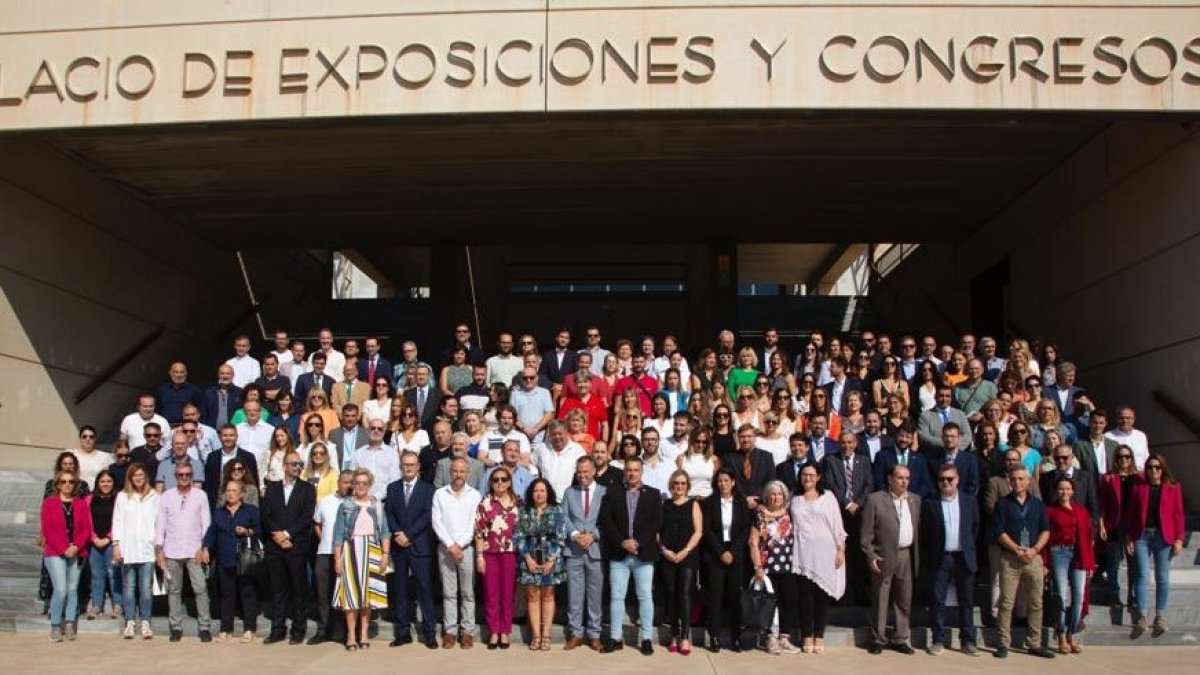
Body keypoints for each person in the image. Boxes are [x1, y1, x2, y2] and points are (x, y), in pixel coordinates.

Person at [600, 457, 663, 655]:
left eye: (636, 470)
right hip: (619, 553)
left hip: (643, 554)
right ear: (624, 471)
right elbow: (607, 521)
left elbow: (656, 522)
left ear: (641, 471)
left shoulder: (653, 494)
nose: (632, 473)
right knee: (617, 596)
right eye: (629, 470)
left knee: (645, 596)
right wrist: (623, 542)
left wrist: (637, 542)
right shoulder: (613, 493)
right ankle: (615, 637)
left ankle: (646, 639)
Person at [992, 466, 1055, 659]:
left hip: (1033, 557)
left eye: (1021, 479)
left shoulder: (1037, 504)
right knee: (1006, 602)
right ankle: (1003, 643)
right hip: (1011, 557)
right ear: (1009, 481)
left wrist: (1035, 550)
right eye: (1013, 479)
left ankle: (1034, 643)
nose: (1017, 483)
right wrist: (1016, 549)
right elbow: (999, 532)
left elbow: (1046, 530)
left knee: (1036, 601)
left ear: (1028, 481)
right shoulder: (1002, 504)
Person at [861, 464, 921, 655]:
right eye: (900, 478)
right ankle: (878, 638)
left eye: (907, 478)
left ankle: (901, 638)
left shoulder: (915, 500)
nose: (904, 482)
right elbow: (865, 534)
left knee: (904, 597)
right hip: (883, 554)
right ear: (890, 479)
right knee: (881, 596)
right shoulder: (875, 499)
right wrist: (871, 555)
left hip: (906, 554)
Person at [922, 464, 981, 656]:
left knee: (967, 601)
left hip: (963, 557)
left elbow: (974, 527)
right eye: (942, 479)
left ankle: (968, 641)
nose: (946, 482)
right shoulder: (929, 502)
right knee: (938, 601)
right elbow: (925, 531)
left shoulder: (969, 501)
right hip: (940, 558)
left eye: (950, 479)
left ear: (957, 480)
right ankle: (938, 640)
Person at [1124, 452, 1185, 637]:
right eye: (1150, 467)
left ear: (1162, 469)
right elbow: (1132, 515)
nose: (1153, 471)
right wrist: (1129, 538)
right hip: (1142, 535)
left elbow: (1178, 515)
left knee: (1162, 577)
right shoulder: (1139, 489)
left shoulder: (1173, 488)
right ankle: (1142, 616)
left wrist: (1179, 539)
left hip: (1163, 536)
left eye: (1157, 467)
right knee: (1142, 574)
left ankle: (1160, 615)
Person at [260, 451, 317, 644]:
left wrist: (287, 534)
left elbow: (306, 517)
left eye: (299, 464)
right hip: (275, 547)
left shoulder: (308, 489)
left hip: (296, 546)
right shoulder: (272, 488)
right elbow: (266, 515)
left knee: (299, 590)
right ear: (284, 465)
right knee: (278, 590)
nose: (297, 467)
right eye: (293, 464)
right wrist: (277, 535)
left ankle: (298, 629)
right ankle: (278, 629)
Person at [789, 460, 845, 653]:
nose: (808, 478)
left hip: (825, 551)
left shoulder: (828, 497)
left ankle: (819, 635)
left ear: (819, 477)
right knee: (804, 596)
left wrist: (840, 549)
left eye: (812, 475)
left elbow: (838, 525)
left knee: (821, 597)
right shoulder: (794, 497)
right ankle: (806, 635)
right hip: (802, 552)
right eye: (805, 475)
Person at [154, 458, 213, 642]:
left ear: (192, 475)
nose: (184, 477)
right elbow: (160, 524)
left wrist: (205, 547)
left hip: (194, 550)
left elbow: (206, 523)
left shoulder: (200, 495)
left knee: (201, 588)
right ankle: (176, 627)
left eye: (188, 474)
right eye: (181, 475)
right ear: (175, 476)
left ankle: (204, 627)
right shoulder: (166, 496)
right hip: (172, 550)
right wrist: (159, 550)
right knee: (174, 590)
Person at [385, 451, 439, 649]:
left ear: (418, 467)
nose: (408, 468)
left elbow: (427, 516)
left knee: (425, 590)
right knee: (400, 590)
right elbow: (389, 513)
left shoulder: (428, 490)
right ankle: (402, 632)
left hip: (419, 546)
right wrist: (398, 533)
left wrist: (409, 535)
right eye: (405, 464)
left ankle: (430, 634)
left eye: (412, 464)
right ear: (401, 466)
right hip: (399, 546)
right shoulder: (392, 488)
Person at [332, 468, 390, 651]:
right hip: (351, 551)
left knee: (367, 595)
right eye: (357, 483)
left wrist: (385, 554)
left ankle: (363, 634)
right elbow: (338, 535)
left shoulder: (377, 505)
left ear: (370, 485)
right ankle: (350, 635)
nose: (361, 486)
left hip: (372, 550)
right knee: (350, 596)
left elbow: (385, 532)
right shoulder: (346, 505)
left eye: (365, 483)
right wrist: (337, 560)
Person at [202, 479, 262, 643]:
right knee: (226, 596)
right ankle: (225, 629)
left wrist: (247, 531)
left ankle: (250, 628)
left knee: (247, 594)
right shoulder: (219, 512)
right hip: (225, 558)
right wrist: (206, 547)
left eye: (234, 491)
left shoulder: (251, 511)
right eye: (228, 491)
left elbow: (259, 531)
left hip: (245, 559)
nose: (230, 494)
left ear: (241, 493)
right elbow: (211, 532)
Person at [433, 457, 483, 649]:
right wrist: (450, 545)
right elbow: (436, 521)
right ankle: (450, 632)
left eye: (462, 471)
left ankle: (467, 632)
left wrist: (460, 545)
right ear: (450, 472)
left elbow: (474, 524)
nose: (458, 475)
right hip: (445, 550)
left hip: (466, 550)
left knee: (468, 592)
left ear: (467, 473)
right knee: (449, 593)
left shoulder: (475, 495)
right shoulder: (440, 494)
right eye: (455, 471)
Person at [701, 466, 751, 652]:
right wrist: (721, 551)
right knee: (715, 596)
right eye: (720, 481)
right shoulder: (709, 502)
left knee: (735, 596)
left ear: (733, 482)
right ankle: (714, 637)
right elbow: (706, 530)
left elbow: (746, 529)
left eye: (726, 480)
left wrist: (733, 552)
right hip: (716, 553)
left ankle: (736, 638)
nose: (723, 484)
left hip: (736, 553)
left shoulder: (741, 503)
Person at [515, 477, 568, 651]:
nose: (539, 493)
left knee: (548, 596)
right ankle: (536, 636)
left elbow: (561, 537)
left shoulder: (556, 511)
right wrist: (528, 558)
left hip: (551, 560)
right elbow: (519, 536)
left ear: (548, 493)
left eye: (542, 490)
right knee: (532, 596)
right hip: (529, 559)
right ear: (531, 493)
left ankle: (546, 635)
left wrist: (551, 560)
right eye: (536, 490)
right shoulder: (524, 511)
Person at [1044, 475, 1095, 654]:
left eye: (1067, 489)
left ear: (1073, 491)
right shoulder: (1050, 510)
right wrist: (1045, 563)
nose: (1064, 492)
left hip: (1078, 555)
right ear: (1056, 491)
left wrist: (1090, 563)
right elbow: (1045, 536)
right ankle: (1061, 635)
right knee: (1061, 596)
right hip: (1059, 553)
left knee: (1079, 596)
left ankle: (1072, 633)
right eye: (1061, 489)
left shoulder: (1081, 510)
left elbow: (1088, 538)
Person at [749, 480, 801, 655]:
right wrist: (757, 566)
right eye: (772, 493)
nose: (776, 497)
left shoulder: (790, 514)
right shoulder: (760, 514)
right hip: (768, 566)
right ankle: (771, 637)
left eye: (779, 494)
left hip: (788, 565)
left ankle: (784, 637)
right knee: (771, 603)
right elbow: (753, 542)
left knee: (789, 601)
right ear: (767, 496)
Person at [41, 468, 93, 642]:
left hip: (77, 551)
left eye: (71, 481)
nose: (67, 485)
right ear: (57, 484)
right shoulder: (49, 503)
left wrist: (76, 546)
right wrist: (64, 548)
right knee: (61, 589)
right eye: (63, 481)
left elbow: (86, 529)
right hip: (55, 551)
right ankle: (55, 625)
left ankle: (69, 624)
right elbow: (47, 529)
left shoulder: (80, 503)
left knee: (72, 589)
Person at [561, 456, 607, 651]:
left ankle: (594, 634)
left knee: (595, 595)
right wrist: (574, 535)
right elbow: (563, 517)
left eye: (586, 471)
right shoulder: (569, 492)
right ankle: (576, 633)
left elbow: (608, 520)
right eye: (579, 472)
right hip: (574, 550)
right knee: (575, 594)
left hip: (596, 550)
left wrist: (593, 536)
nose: (582, 475)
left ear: (594, 471)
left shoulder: (604, 492)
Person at [473, 465, 521, 649]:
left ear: (509, 482)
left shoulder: (518, 503)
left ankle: (505, 631)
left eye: (503, 479)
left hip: (510, 554)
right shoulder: (485, 503)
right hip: (489, 554)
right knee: (491, 594)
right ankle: (494, 631)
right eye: (495, 480)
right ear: (490, 483)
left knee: (508, 595)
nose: (499, 483)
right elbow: (479, 532)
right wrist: (479, 557)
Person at [822, 430, 873, 601]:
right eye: (843, 442)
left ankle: (860, 593)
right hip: (840, 513)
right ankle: (842, 594)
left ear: (856, 443)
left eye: (850, 442)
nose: (847, 446)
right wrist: (847, 503)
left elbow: (868, 485)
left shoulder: (864, 461)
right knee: (840, 553)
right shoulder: (831, 460)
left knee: (859, 553)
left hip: (860, 514)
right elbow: (829, 484)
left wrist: (858, 503)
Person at [112, 462, 158, 639]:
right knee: (129, 588)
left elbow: (158, 522)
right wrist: (116, 544)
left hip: (147, 550)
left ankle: (146, 621)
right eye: (134, 475)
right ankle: (130, 621)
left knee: (145, 589)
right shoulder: (123, 497)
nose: (138, 478)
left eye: (141, 475)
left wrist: (157, 544)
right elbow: (117, 521)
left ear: (146, 476)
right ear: (130, 478)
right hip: (128, 549)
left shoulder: (154, 496)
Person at [312, 470, 353, 646]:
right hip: (325, 552)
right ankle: (323, 630)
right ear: (338, 483)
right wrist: (323, 538)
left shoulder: (356, 503)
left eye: (352, 482)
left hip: (348, 555)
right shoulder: (325, 501)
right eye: (345, 482)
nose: (349, 486)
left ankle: (344, 631)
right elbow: (317, 523)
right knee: (323, 594)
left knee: (345, 595)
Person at [1099, 444, 1139, 614]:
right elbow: (1102, 504)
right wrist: (1101, 525)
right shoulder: (1109, 478)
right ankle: (1113, 595)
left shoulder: (1139, 478)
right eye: (1121, 457)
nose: (1124, 460)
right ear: (1115, 459)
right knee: (1113, 562)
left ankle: (1133, 595)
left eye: (1127, 457)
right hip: (1114, 523)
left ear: (1131, 459)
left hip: (1133, 525)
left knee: (1134, 562)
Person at [84, 469, 121, 620]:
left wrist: (108, 538)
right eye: (102, 481)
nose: (106, 484)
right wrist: (93, 538)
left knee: (114, 574)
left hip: (111, 543)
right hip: (94, 544)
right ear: (98, 483)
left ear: (113, 483)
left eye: (109, 481)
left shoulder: (119, 499)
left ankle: (118, 605)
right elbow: (85, 521)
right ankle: (97, 605)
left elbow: (120, 521)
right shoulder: (89, 499)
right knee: (97, 575)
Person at [70, 425, 112, 490]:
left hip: (97, 494)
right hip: (76, 493)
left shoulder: (105, 457)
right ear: (80, 438)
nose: (88, 439)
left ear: (95, 439)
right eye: (84, 436)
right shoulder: (71, 454)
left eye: (91, 437)